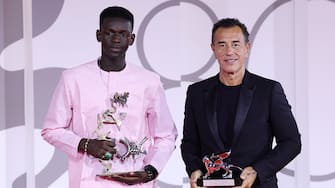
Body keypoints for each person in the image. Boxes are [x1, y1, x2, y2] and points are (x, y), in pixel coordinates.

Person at [41, 6, 177, 188]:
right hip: (88, 181)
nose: (115, 39)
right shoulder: (73, 78)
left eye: (122, 34)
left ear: (131, 38)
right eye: (109, 32)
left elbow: (166, 135)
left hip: (135, 182)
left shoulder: (149, 82)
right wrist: (85, 144)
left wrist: (150, 171)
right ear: (98, 35)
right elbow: (52, 129)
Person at [180, 18, 301, 188]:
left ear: (247, 48)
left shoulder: (268, 90)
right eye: (222, 45)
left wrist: (257, 171)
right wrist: (195, 169)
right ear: (213, 49)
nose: (229, 51)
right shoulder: (197, 92)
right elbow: (190, 143)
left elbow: (291, 142)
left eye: (236, 44)